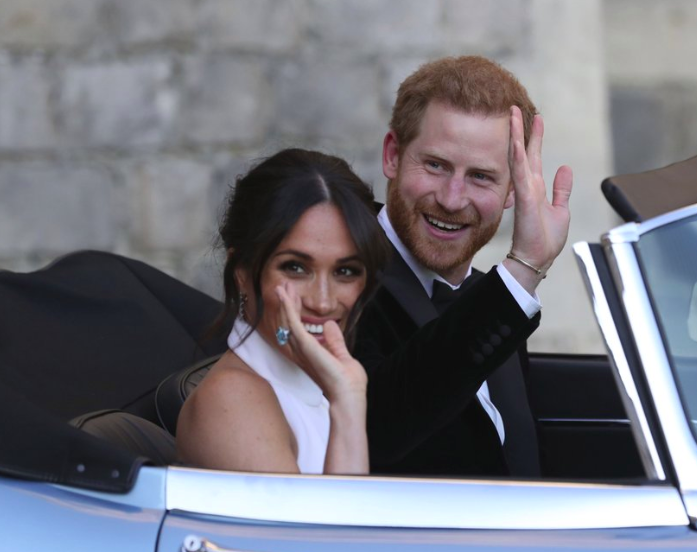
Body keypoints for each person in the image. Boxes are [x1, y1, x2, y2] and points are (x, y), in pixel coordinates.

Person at [354, 56, 573, 477]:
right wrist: (525, 268)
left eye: (481, 177)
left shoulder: (490, 297)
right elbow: (377, 431)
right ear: (393, 156)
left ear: (513, 191)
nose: (452, 199)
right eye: (435, 165)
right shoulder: (341, 276)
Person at [177, 148, 390, 474]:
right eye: (295, 268)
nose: (322, 301)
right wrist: (347, 403)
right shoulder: (232, 400)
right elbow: (333, 527)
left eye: (345, 272)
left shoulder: (311, 385)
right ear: (243, 273)